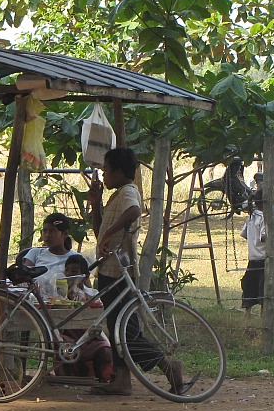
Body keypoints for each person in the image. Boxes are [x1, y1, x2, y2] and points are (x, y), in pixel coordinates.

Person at [88, 147, 186, 396]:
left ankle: (167, 365)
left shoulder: (128, 192)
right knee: (117, 328)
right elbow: (99, 229)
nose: (104, 174)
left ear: (119, 171)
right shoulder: (116, 195)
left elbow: (134, 212)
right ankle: (122, 379)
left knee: (126, 332)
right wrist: (96, 203)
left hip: (120, 272)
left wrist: (111, 234)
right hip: (109, 270)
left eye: (107, 170)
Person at [55, 254, 113, 383]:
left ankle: (101, 380)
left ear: (84, 276)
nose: (69, 274)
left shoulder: (92, 294)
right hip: (68, 336)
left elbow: (97, 317)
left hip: (89, 337)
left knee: (105, 350)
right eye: (67, 270)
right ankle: (68, 378)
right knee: (59, 344)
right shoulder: (58, 293)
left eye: (74, 271)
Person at [240, 190, 274, 317]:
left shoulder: (251, 216)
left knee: (250, 287)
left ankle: (247, 313)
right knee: (265, 289)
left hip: (253, 257)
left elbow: (243, 234)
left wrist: (253, 241)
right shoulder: (265, 218)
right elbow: (264, 237)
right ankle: (263, 315)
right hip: (264, 259)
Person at [22, 212, 80, 292]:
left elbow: (86, 287)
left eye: (52, 231)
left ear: (65, 234)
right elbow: (24, 278)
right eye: (44, 231)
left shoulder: (77, 259)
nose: (47, 235)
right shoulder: (35, 253)